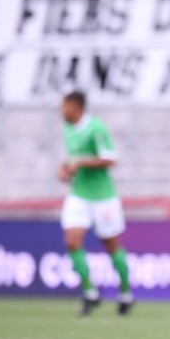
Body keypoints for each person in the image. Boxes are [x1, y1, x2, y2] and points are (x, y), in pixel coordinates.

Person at [58, 91, 134, 316]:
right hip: (79, 194)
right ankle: (90, 292)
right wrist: (63, 169)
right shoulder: (68, 129)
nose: (61, 110)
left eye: (64, 106)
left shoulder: (96, 128)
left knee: (111, 246)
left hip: (103, 197)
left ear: (75, 106)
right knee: (72, 242)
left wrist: (81, 163)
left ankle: (125, 292)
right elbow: (72, 158)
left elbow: (110, 158)